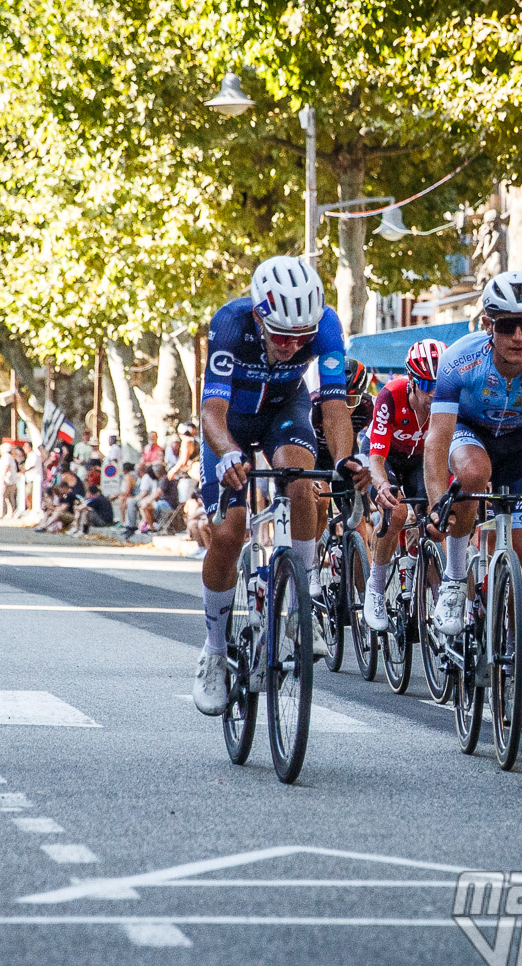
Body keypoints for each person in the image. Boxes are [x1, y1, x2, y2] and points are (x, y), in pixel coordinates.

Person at [192, 255, 370, 717]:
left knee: (302, 478)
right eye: (282, 336)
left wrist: (346, 457)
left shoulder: (326, 325)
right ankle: (214, 650)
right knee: (231, 531)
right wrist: (229, 452)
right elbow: (210, 412)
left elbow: (333, 406)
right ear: (259, 315)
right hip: (229, 420)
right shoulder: (230, 325)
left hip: (282, 412)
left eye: (301, 338)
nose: (293, 347)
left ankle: (302, 594)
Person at [425, 271, 522, 638]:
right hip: (470, 432)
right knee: (475, 471)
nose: (518, 337)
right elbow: (436, 439)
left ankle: (516, 668)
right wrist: (436, 503)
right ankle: (454, 576)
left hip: (520, 443)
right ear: (487, 325)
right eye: (508, 325)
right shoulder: (460, 359)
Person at [363, 339, 442, 630]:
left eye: (440, 384)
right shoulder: (390, 395)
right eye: (426, 383)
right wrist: (382, 485)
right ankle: (376, 586)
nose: (434, 392)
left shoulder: (446, 402)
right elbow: (376, 457)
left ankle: (439, 595)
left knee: (434, 521)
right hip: (386, 458)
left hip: (421, 462)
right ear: (411, 380)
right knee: (395, 513)